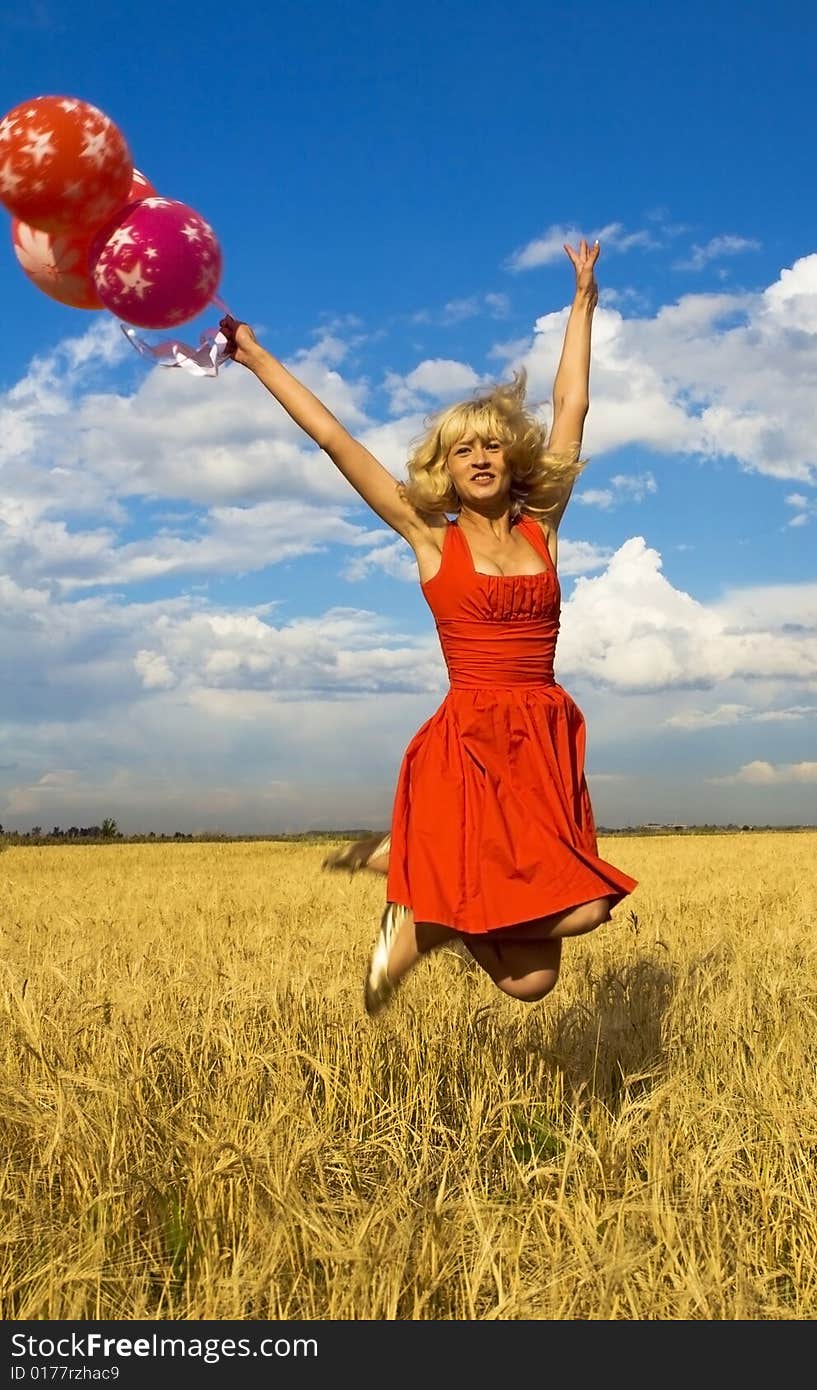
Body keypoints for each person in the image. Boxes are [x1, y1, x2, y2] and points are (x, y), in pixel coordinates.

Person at [220, 237, 637, 1017]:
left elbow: (572, 408)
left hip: (542, 745)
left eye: (493, 445)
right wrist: (255, 357)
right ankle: (424, 899)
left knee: (532, 983)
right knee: (587, 906)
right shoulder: (427, 538)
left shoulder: (543, 524)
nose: (480, 457)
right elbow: (336, 440)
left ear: (515, 461)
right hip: (470, 746)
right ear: (442, 468)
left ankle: (419, 893)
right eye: (461, 449)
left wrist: (583, 303)